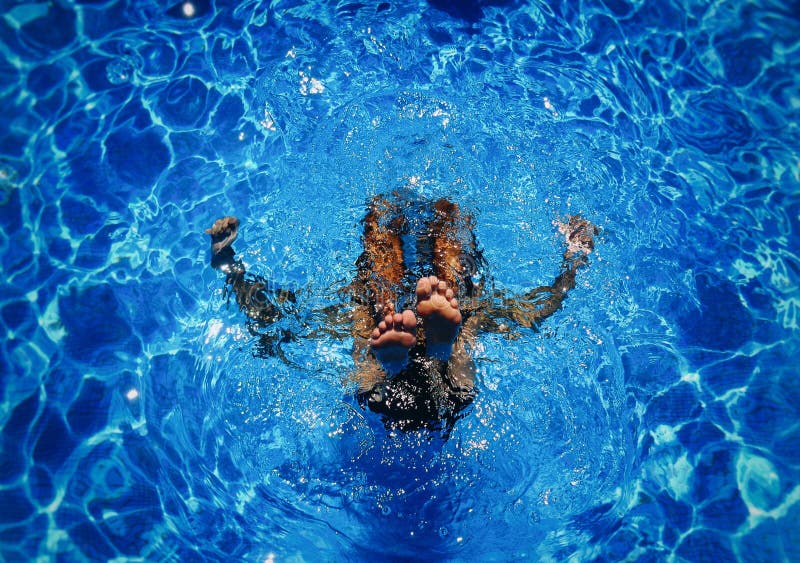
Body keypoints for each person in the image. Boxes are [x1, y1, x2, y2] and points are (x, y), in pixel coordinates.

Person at [206, 193, 597, 432]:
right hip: (450, 398)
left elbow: (273, 318)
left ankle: (392, 362)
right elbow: (536, 311)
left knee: (371, 305)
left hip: (382, 397)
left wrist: (228, 263)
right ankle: (443, 350)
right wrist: (574, 260)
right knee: (464, 298)